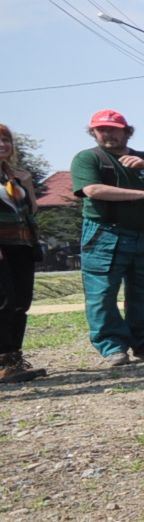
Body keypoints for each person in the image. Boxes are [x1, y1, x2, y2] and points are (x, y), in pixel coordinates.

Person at [70, 110, 144, 369]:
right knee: (102, 293)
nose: (107, 134)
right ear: (94, 133)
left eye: (113, 129)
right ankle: (112, 347)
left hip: (143, 235)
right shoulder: (89, 159)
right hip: (104, 234)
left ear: (127, 132)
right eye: (101, 130)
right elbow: (93, 190)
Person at [0, 123, 47, 383]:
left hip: (21, 245)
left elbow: (33, 211)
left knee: (20, 302)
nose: (2, 145)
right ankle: (2, 361)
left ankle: (13, 360)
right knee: (3, 303)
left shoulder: (12, 177)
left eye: (6, 140)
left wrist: (27, 184)